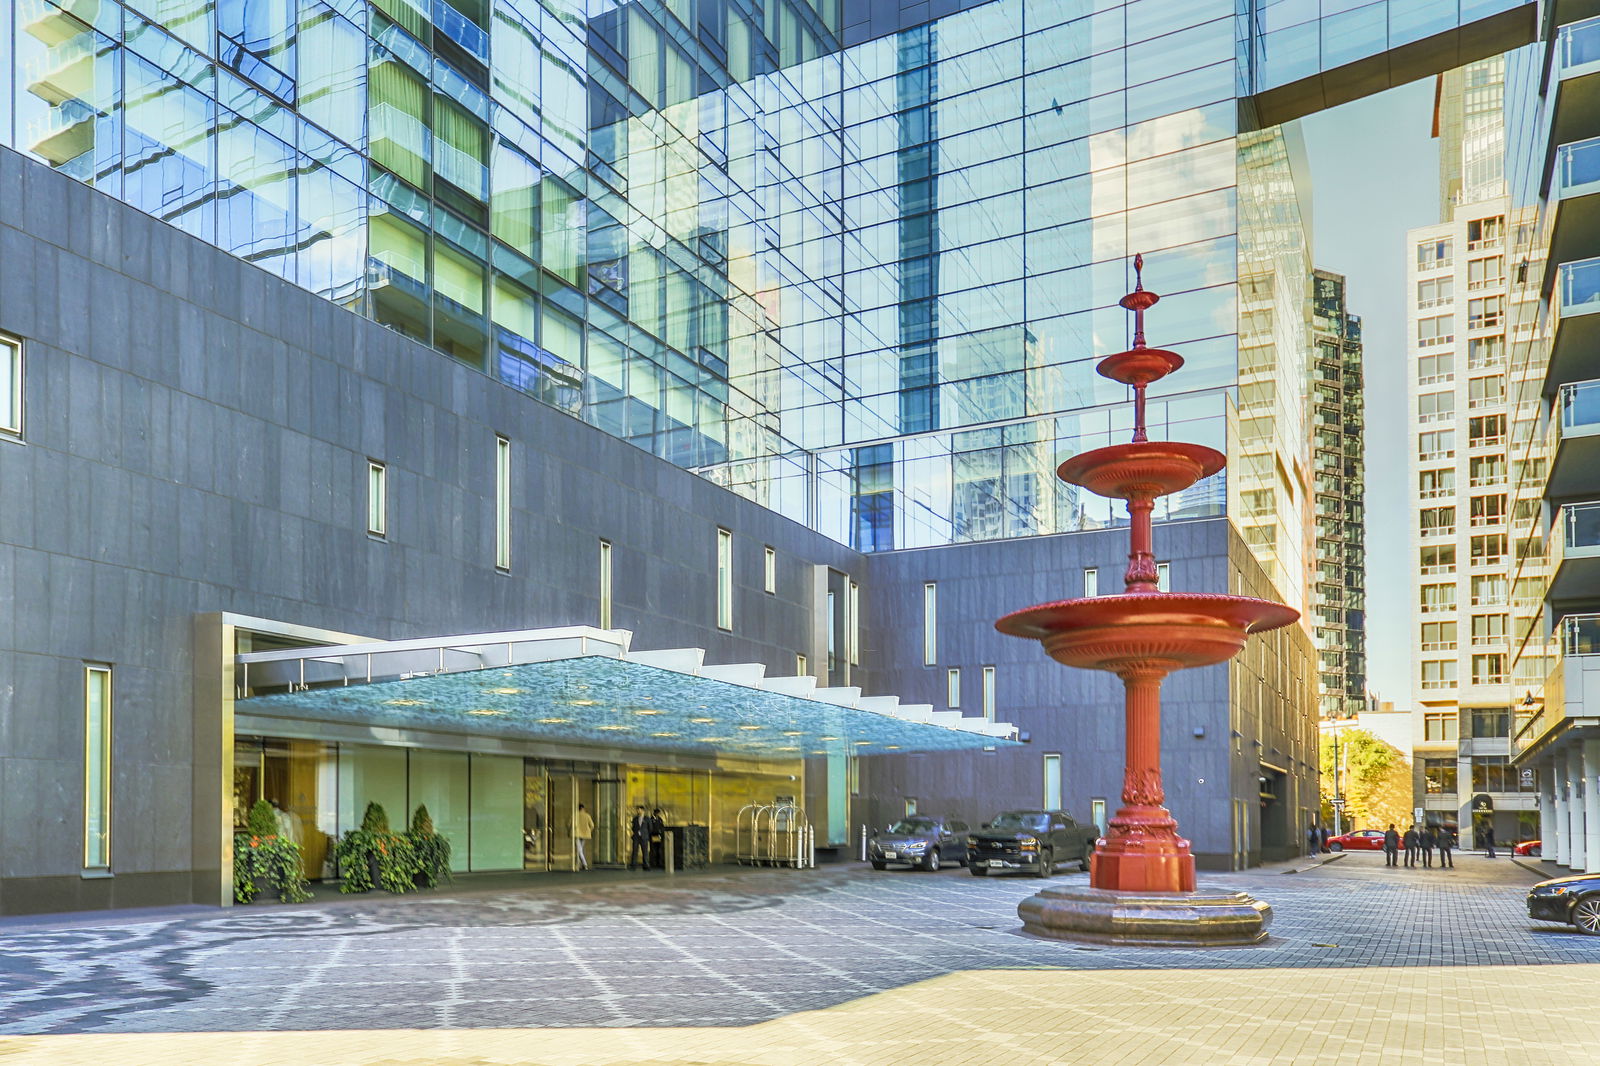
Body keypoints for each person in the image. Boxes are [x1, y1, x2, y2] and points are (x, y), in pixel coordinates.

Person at [573, 803, 594, 871]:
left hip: (577, 834)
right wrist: (588, 831)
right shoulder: (587, 815)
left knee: (579, 850)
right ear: (583, 808)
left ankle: (584, 864)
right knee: (580, 850)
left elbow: (569, 823)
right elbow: (592, 825)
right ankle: (580, 864)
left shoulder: (575, 815)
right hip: (585, 834)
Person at [629, 805, 651, 869]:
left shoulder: (647, 819)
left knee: (645, 851)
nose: (637, 811)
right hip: (636, 837)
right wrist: (636, 832)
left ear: (642, 810)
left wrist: (645, 834)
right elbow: (633, 827)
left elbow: (650, 828)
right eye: (637, 810)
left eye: (638, 809)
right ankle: (633, 865)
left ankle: (646, 865)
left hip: (644, 837)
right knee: (635, 850)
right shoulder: (635, 818)